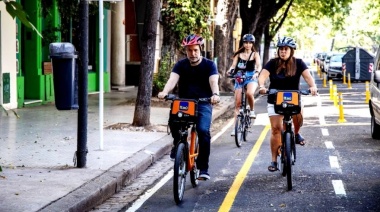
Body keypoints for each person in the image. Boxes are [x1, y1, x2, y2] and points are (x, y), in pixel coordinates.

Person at [158, 34, 220, 180]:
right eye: (189, 50)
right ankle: (177, 145)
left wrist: (215, 94)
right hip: (184, 102)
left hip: (204, 102)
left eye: (195, 50)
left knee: (203, 131)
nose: (192, 53)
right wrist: (165, 92)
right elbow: (172, 80)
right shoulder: (181, 65)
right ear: (186, 51)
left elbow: (213, 82)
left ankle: (203, 167)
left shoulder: (209, 65)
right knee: (174, 121)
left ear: (201, 49)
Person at [257, 36, 318, 172]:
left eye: (286, 49)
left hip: (293, 98)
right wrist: (261, 86)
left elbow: (308, 77)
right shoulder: (272, 63)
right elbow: (262, 76)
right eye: (281, 49)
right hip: (274, 99)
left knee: (299, 113)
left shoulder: (299, 63)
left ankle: (296, 133)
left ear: (291, 51)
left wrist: (313, 87)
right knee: (276, 129)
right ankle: (274, 160)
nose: (283, 52)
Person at [227, 34, 262, 136]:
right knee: (237, 104)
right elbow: (233, 66)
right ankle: (235, 128)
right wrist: (230, 71)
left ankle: (251, 110)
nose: (247, 45)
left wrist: (256, 72)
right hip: (239, 77)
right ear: (243, 43)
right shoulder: (238, 54)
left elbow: (259, 65)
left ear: (252, 44)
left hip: (251, 77)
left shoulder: (255, 54)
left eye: (250, 43)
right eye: (246, 42)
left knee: (249, 94)